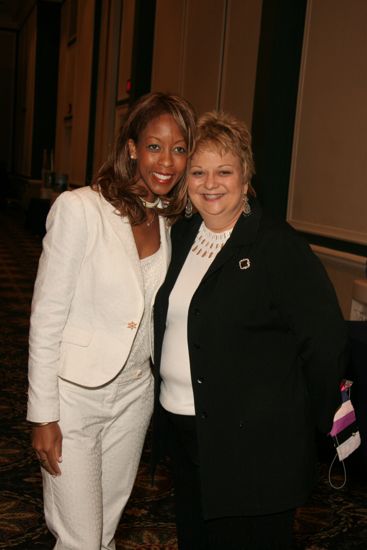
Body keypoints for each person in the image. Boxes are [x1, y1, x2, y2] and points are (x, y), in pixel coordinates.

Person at [153, 111, 347, 549]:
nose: (210, 183)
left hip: (255, 453)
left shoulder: (278, 246)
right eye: (198, 172)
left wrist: (302, 424)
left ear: (246, 177)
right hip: (187, 440)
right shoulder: (182, 236)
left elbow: (326, 344)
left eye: (224, 171)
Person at [27, 92, 196, 550]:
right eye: (155, 145)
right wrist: (42, 414)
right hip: (74, 398)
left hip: (134, 397)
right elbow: (46, 318)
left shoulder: (168, 222)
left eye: (179, 148)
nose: (166, 160)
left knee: (103, 532)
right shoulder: (80, 208)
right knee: (79, 538)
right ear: (132, 148)